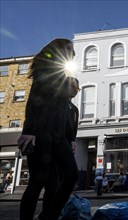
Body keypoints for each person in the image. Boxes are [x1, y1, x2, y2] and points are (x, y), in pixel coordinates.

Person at [17, 38, 78, 220]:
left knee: (70, 175)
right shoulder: (46, 69)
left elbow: (65, 111)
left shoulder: (62, 74)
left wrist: (70, 139)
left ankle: (49, 216)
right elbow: (34, 100)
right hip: (41, 131)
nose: (73, 53)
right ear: (59, 50)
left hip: (58, 136)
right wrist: (28, 131)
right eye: (70, 49)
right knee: (38, 180)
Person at [38, 76, 81, 220]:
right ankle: (47, 214)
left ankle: (51, 214)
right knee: (52, 184)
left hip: (65, 145)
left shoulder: (74, 109)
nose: (76, 90)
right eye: (73, 87)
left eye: (77, 88)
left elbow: (73, 127)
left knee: (66, 178)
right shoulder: (57, 102)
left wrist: (73, 140)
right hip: (51, 144)